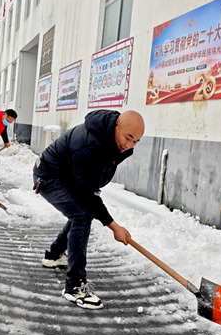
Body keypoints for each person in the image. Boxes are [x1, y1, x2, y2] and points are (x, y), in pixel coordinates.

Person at [32, 110, 145, 310]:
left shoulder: (113, 139)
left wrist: (92, 188)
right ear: (117, 124)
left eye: (136, 141)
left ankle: (54, 255)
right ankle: (74, 287)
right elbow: (86, 190)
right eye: (128, 138)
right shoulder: (91, 144)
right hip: (49, 176)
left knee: (83, 211)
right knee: (83, 214)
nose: (129, 145)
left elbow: (91, 178)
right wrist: (114, 226)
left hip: (69, 176)